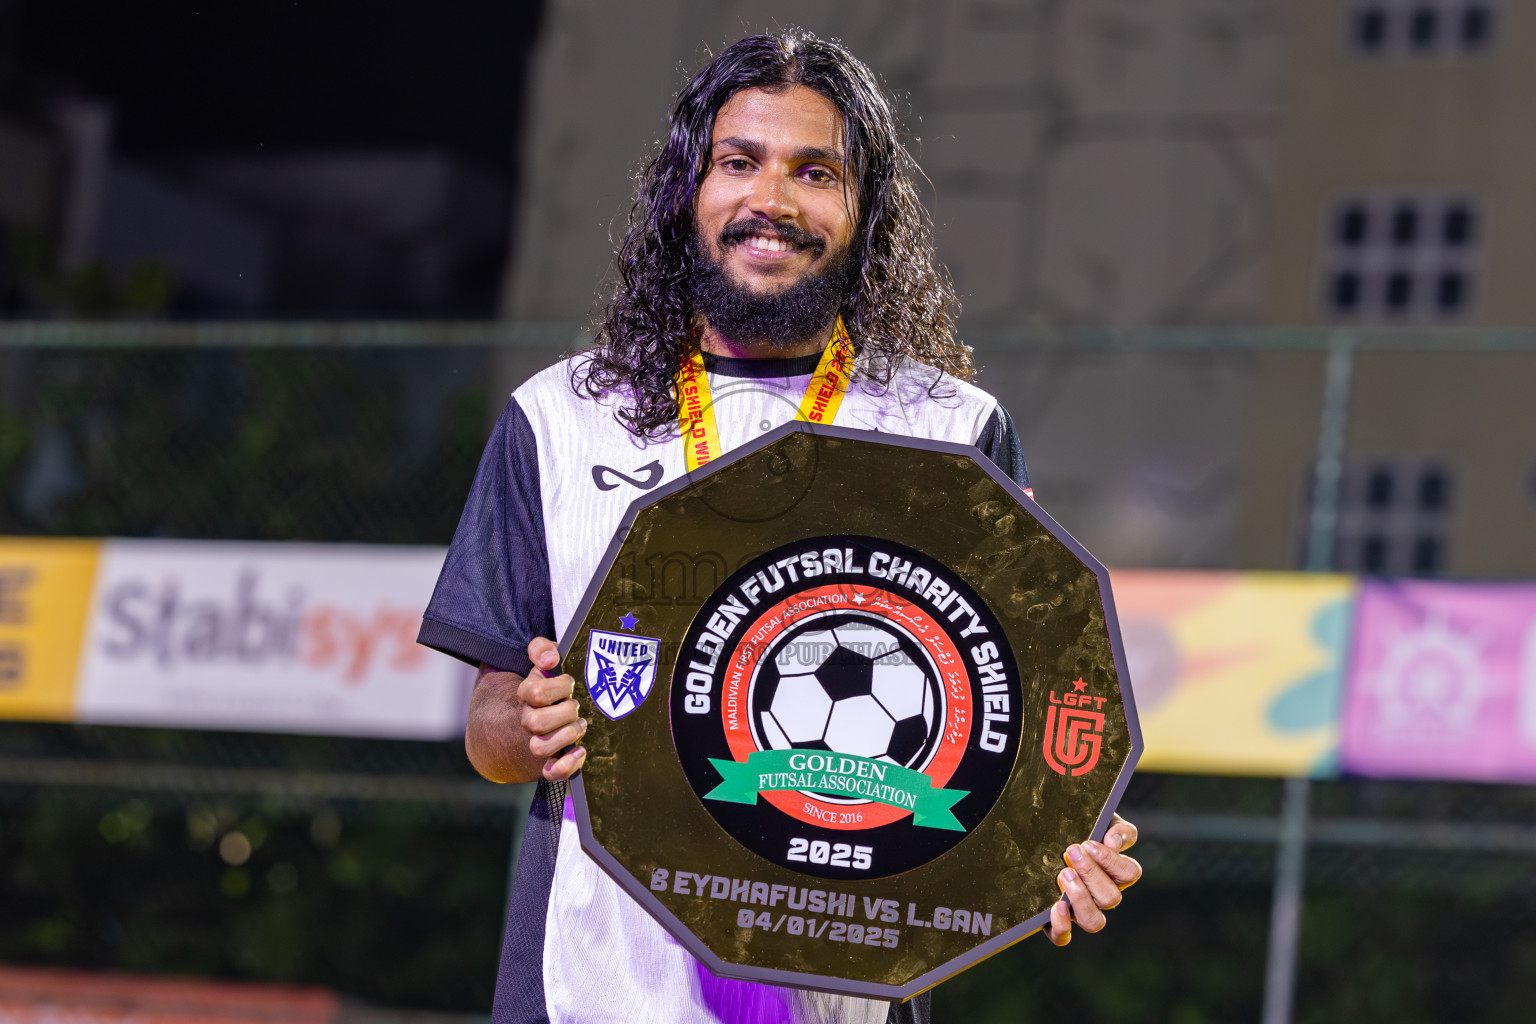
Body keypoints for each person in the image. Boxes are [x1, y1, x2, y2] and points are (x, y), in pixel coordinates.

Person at [417, 28, 1142, 1024]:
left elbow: (1012, 721)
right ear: (688, 190)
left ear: (864, 209)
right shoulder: (559, 417)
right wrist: (527, 722)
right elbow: (489, 727)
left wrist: (1057, 852)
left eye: (816, 171)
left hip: (846, 998)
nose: (774, 200)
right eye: (739, 162)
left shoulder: (953, 433)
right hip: (596, 988)